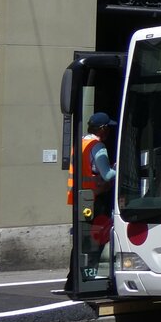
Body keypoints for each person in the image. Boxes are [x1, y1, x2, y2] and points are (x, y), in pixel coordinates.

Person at [64, 112, 116, 290]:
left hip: (80, 198)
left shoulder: (80, 143)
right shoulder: (97, 146)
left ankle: (73, 278)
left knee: (82, 239)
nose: (109, 131)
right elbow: (106, 174)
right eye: (108, 127)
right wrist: (121, 170)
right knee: (96, 239)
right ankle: (88, 276)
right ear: (102, 129)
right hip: (96, 199)